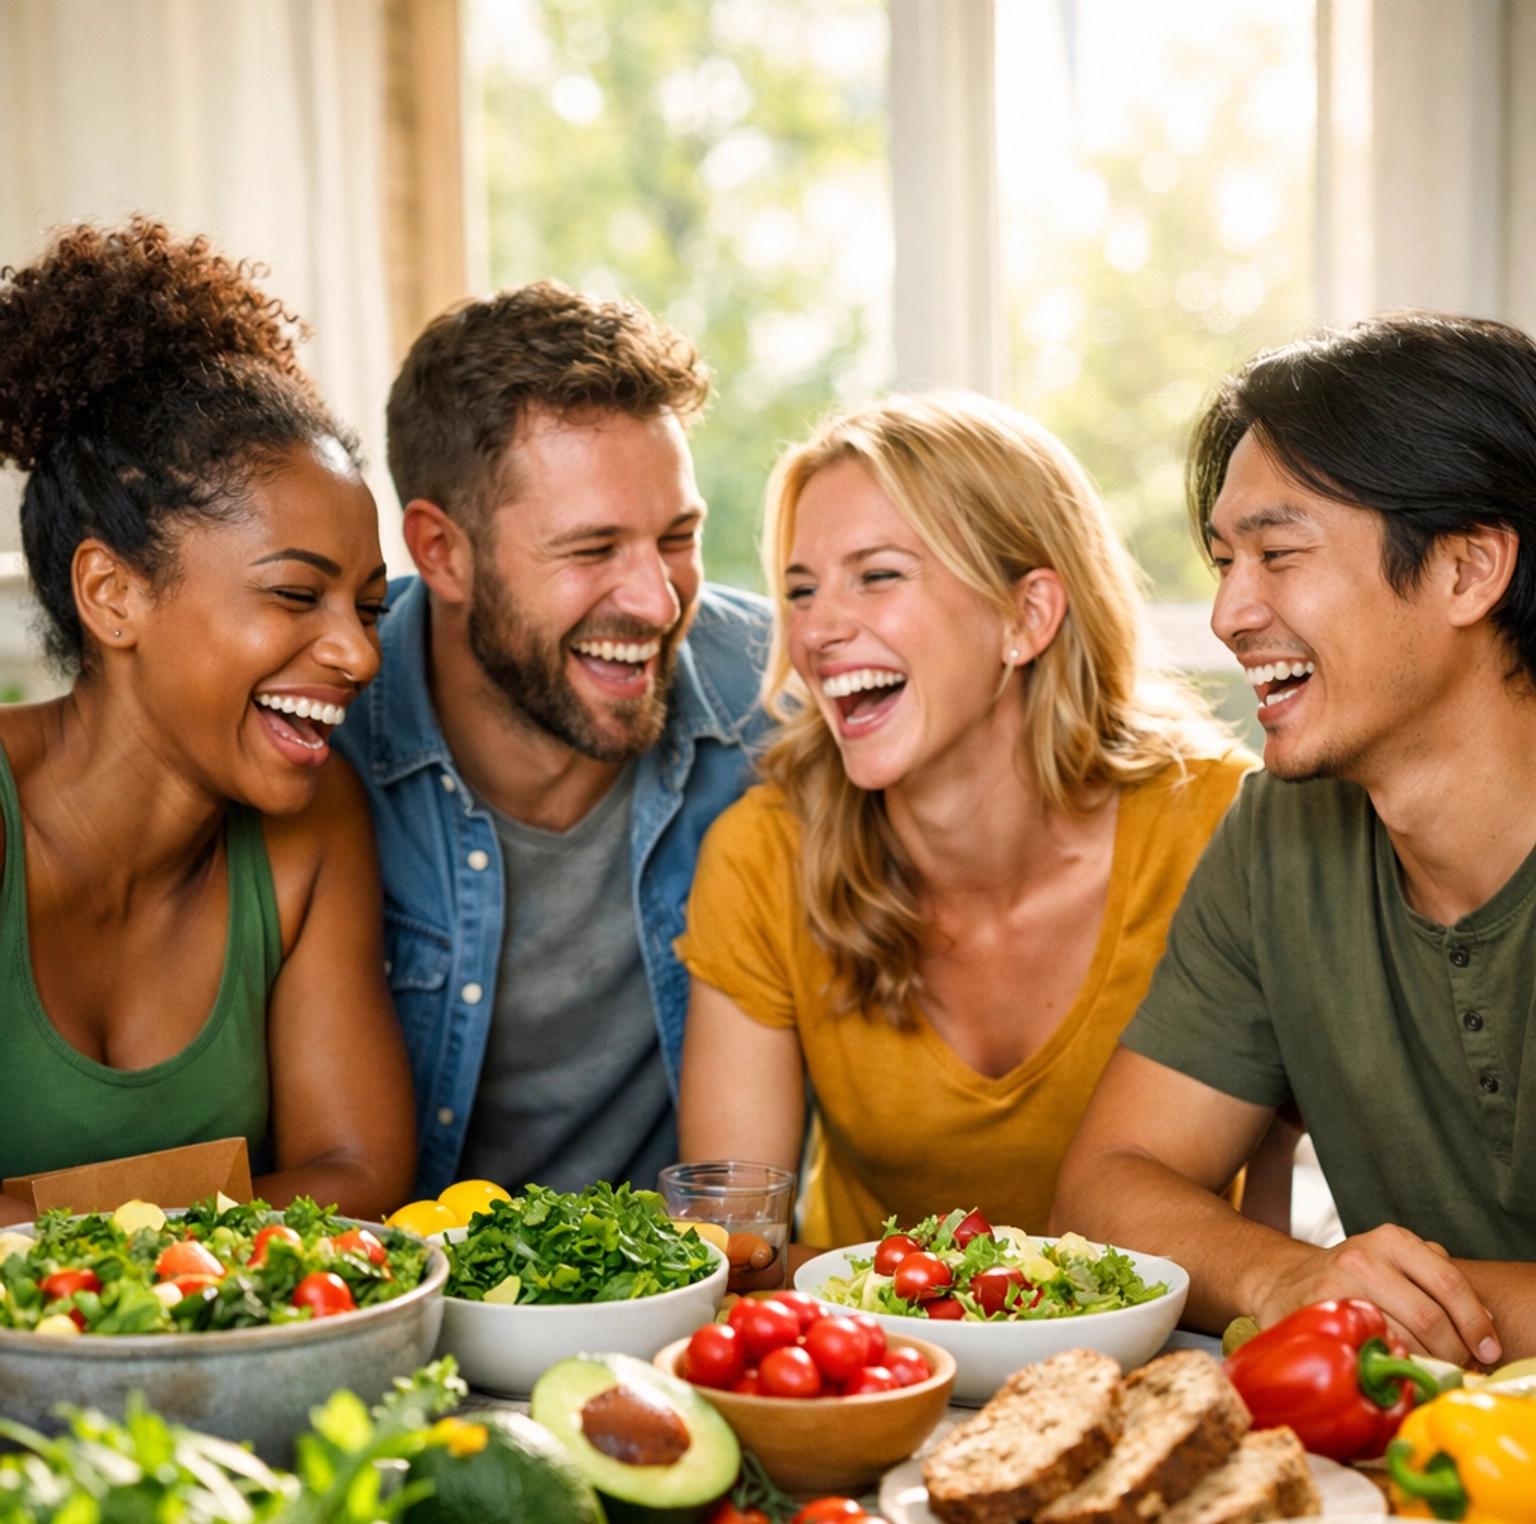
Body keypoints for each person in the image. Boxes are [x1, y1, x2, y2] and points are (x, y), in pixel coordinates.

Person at [1054, 313, 1536, 1367]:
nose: (1230, 611)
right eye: (1226, 559)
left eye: (1278, 552)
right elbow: (1108, 1182)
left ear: (1468, 569)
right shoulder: (1280, 831)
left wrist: (1401, 1303)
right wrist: (1293, 1274)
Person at [674, 391, 1251, 1246]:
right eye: (800, 589)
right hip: (875, 1360)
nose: (818, 629)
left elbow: (1268, 1235)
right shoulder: (765, 854)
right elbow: (733, 1251)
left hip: (1170, 1358)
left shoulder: (1220, 826)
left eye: (878, 575)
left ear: (1027, 615)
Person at [0, 219, 415, 1224]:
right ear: (112, 594)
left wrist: (33, 1220)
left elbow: (357, 1174)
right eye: (293, 596)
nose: (360, 654)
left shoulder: (312, 828)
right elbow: (314, 1190)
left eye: (366, 603)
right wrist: (215, 1211)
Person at [334, 282, 773, 1202]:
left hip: (684, 1303)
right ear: (442, 552)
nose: (657, 601)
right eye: (592, 549)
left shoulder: (778, 700)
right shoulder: (326, 739)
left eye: (679, 537)